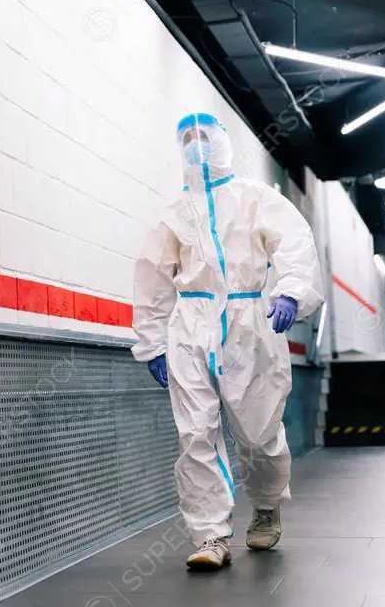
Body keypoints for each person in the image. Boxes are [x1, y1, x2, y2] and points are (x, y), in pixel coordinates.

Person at [130, 112, 324, 571]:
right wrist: (153, 342)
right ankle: (211, 535)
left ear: (221, 140)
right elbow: (153, 276)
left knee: (258, 430)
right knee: (195, 432)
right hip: (191, 325)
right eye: (187, 138)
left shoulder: (255, 198)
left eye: (204, 136)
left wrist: (291, 293)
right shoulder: (172, 212)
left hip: (249, 320)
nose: (196, 145)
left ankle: (265, 504)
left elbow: (295, 242)